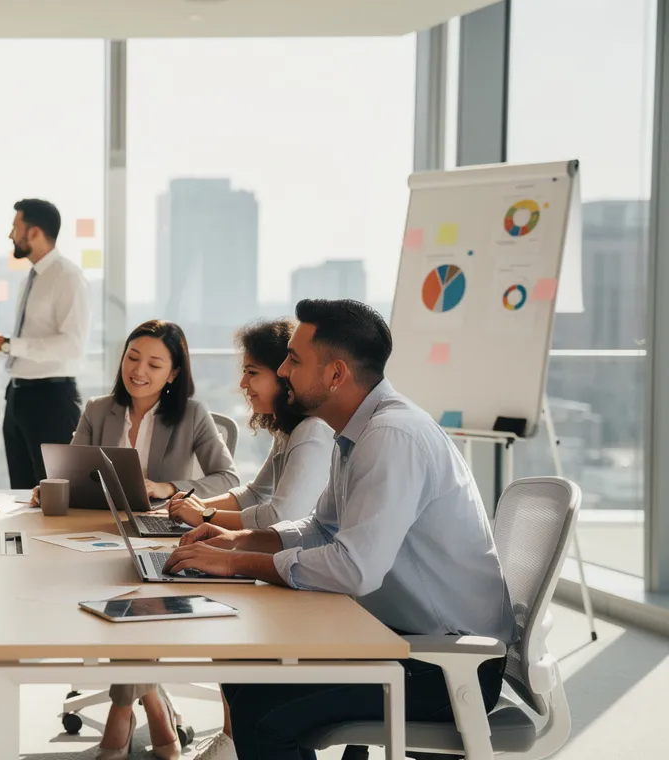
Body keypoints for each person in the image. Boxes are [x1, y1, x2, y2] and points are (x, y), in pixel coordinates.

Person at [163, 299, 516, 760]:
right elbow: (320, 527)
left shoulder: (392, 436)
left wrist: (235, 564)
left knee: (262, 709)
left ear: (335, 375)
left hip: (448, 664)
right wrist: (234, 540)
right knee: (245, 666)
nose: (283, 371)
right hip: (404, 637)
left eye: (294, 359)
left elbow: (355, 569)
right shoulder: (355, 430)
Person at [46, 320, 238, 760]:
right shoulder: (98, 409)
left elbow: (227, 477)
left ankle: (120, 712)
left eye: (154, 363)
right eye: (133, 357)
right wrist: (52, 485)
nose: (139, 370)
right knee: (121, 599)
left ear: (173, 373)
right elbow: (70, 470)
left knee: (132, 603)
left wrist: (169, 488)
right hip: (99, 534)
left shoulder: (192, 414)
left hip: (163, 539)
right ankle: (152, 702)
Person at [0, 198, 89, 488]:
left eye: (14, 227)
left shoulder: (67, 277)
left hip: (51, 400)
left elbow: (73, 345)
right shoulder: (30, 279)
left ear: (34, 232)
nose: (10, 235)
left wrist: (7, 345)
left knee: (55, 493)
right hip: (19, 395)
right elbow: (32, 339)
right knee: (21, 492)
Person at [167, 318, 334, 531]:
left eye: (252, 372)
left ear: (283, 376)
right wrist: (190, 507)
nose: (243, 383)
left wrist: (202, 516)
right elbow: (256, 494)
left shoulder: (312, 431)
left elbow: (280, 517)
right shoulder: (288, 429)